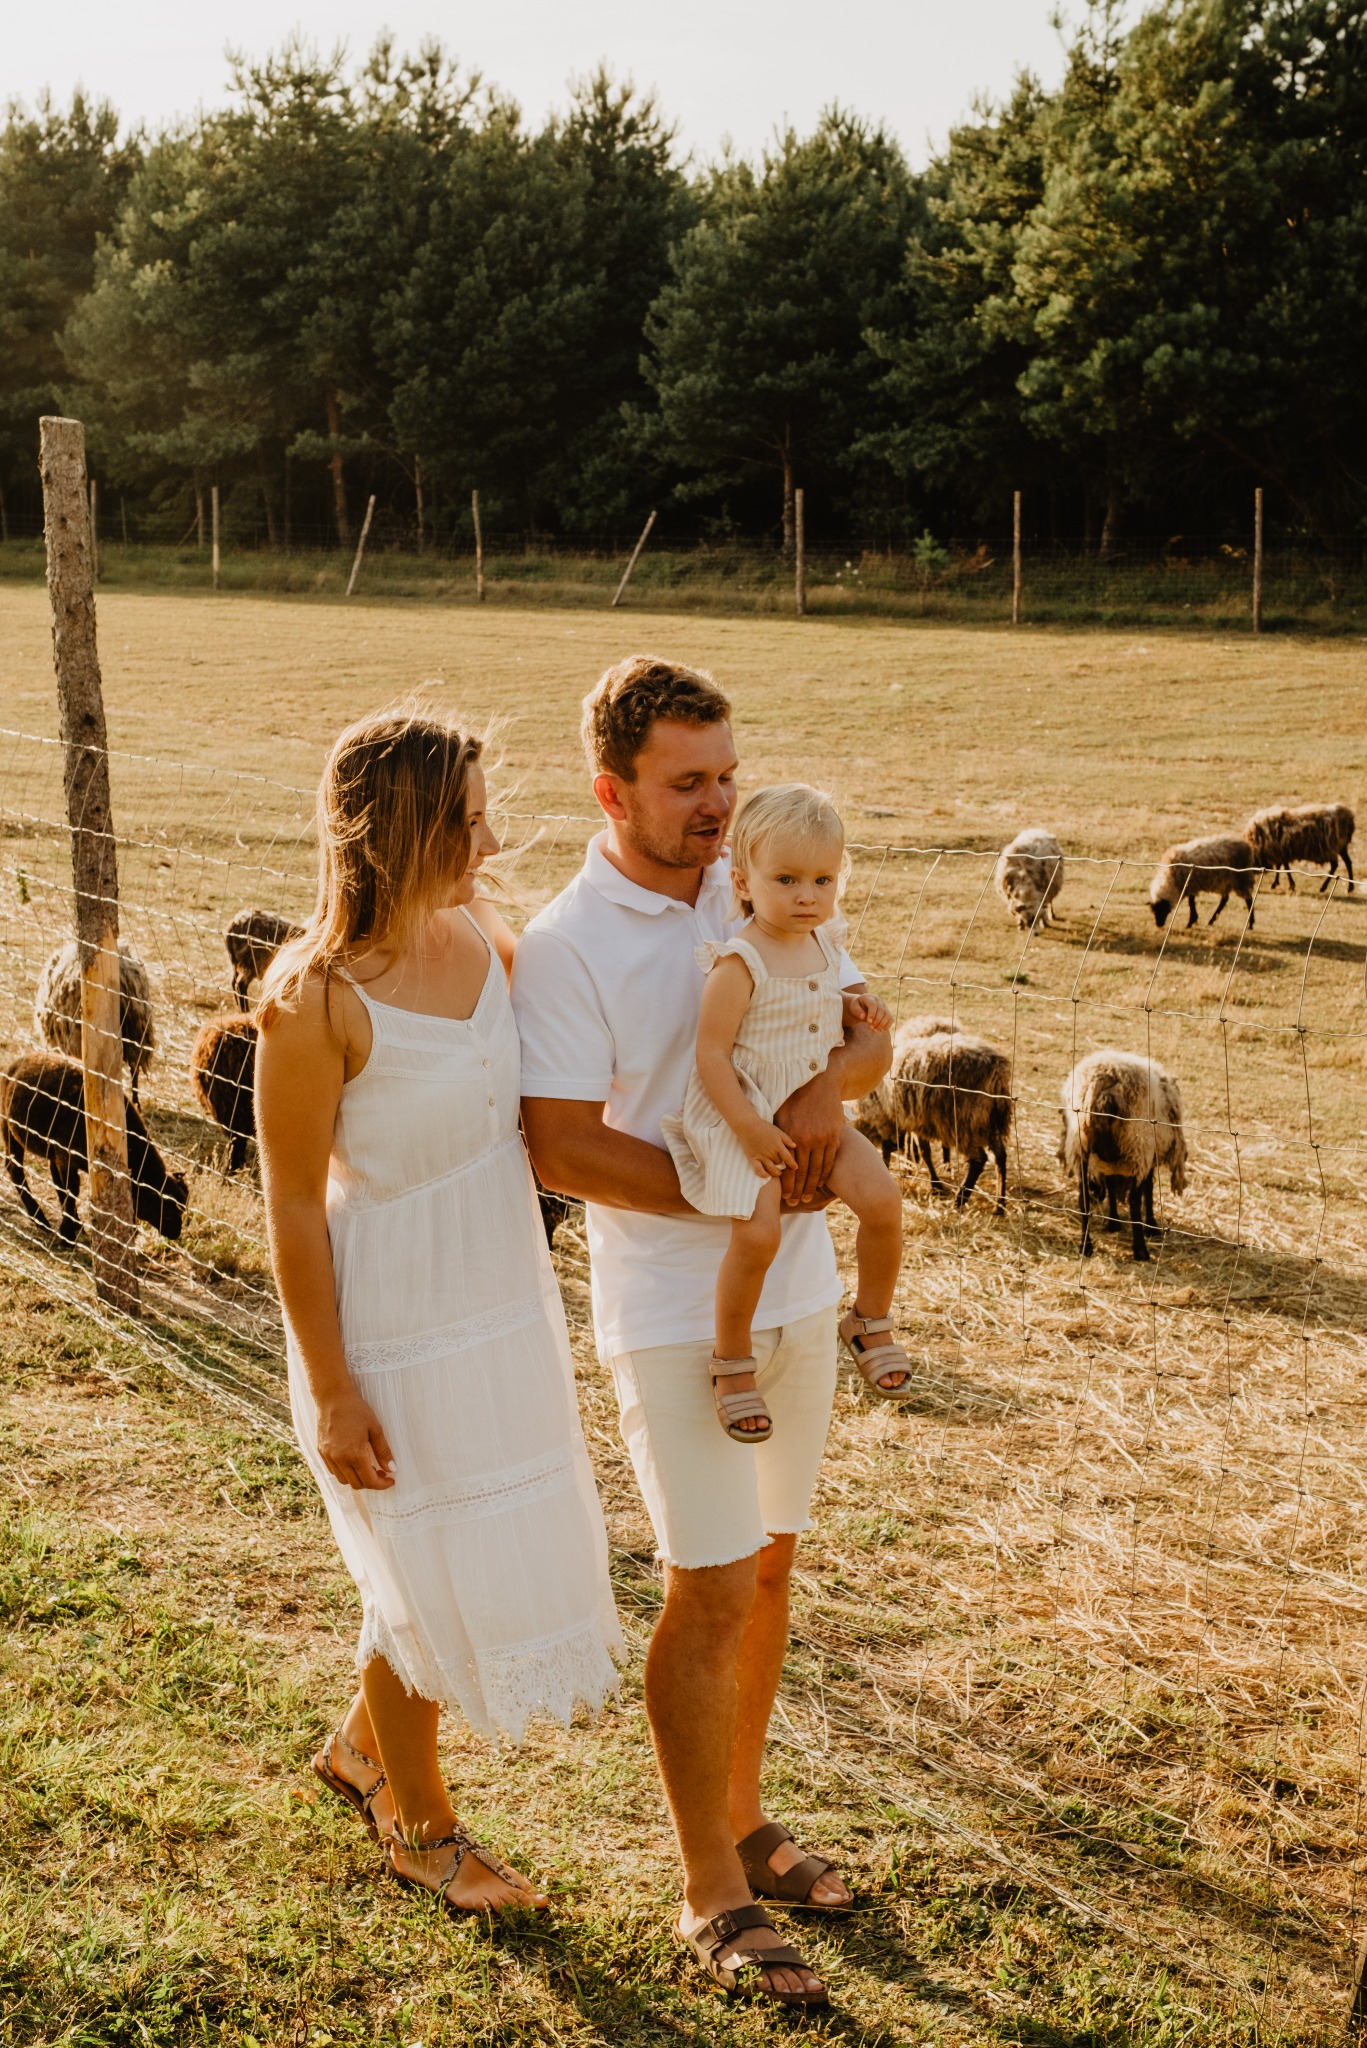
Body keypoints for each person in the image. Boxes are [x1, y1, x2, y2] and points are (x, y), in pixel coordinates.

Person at [513, 656, 899, 2007]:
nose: (716, 801)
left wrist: (821, 1109)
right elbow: (556, 1142)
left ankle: (743, 1813)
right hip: (679, 1316)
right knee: (711, 1584)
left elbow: (865, 1036)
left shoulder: (769, 890)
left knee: (776, 1568)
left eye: (726, 774)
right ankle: (708, 1891)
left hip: (797, 1295)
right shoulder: (569, 942)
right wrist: (723, 1181)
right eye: (688, 783)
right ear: (609, 787)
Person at [255, 706, 621, 1919]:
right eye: (467, 818)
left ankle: (365, 1743)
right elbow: (295, 1211)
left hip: (499, 1297)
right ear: (401, 827)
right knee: (413, 1570)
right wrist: (332, 1385)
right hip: (388, 1317)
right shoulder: (309, 1001)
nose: (490, 835)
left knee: (451, 1548)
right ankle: (420, 1825)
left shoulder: (480, 937)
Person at [661, 782, 910, 1444]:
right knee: (758, 1235)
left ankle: (868, 1316)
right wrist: (747, 1127)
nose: (807, 896)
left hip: (813, 1108)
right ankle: (732, 1361)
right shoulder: (737, 962)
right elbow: (710, 1056)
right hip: (742, 1117)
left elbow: (825, 1007)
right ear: (743, 883)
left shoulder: (825, 946)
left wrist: (859, 1009)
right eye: (787, 879)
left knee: (883, 1201)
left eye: (823, 879)